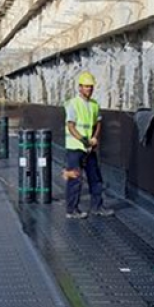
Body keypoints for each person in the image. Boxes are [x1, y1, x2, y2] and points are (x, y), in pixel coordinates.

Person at [64, 71, 114, 218]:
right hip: (75, 147)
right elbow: (71, 126)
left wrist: (94, 138)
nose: (89, 89)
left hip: (89, 148)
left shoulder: (94, 105)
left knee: (95, 178)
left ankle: (97, 207)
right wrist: (83, 140)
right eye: (86, 87)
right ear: (79, 87)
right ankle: (71, 210)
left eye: (91, 87)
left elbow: (98, 123)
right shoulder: (73, 104)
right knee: (75, 178)